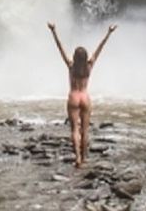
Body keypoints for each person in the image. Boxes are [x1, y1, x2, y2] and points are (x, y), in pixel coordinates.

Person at [47, 21, 116, 168]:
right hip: (85, 97)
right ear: (85, 58)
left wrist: (53, 31)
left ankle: (77, 157)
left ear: (75, 57)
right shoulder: (89, 66)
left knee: (74, 130)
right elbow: (100, 49)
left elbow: (60, 48)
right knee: (85, 130)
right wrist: (109, 33)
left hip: (73, 97)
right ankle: (84, 158)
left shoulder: (71, 66)